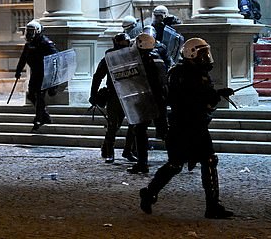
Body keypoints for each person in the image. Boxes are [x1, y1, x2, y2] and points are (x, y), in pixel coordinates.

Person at [139, 38, 234, 219]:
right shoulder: (179, 73)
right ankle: (149, 193)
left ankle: (213, 206)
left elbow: (204, 97)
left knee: (209, 161)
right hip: (182, 126)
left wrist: (217, 95)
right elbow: (185, 99)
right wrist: (212, 97)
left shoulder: (200, 73)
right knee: (175, 165)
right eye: (202, 53)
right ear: (191, 53)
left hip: (197, 125)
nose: (206, 57)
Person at [89, 32, 137, 164]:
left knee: (134, 124)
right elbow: (97, 76)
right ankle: (109, 152)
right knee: (113, 125)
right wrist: (93, 94)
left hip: (130, 93)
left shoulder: (133, 57)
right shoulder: (108, 58)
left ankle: (128, 150)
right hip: (114, 95)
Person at [127, 32, 168, 174]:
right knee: (164, 131)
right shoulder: (158, 58)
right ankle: (178, 157)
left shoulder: (140, 61)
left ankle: (142, 163)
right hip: (159, 100)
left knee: (140, 130)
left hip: (146, 100)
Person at [14, 20, 59, 132]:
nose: (29, 34)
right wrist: (18, 71)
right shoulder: (29, 44)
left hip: (45, 74)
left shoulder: (46, 43)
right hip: (35, 73)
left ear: (37, 31)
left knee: (40, 96)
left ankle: (38, 119)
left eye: (31, 31)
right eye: (28, 31)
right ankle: (45, 115)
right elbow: (23, 58)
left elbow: (56, 59)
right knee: (31, 95)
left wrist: (54, 82)